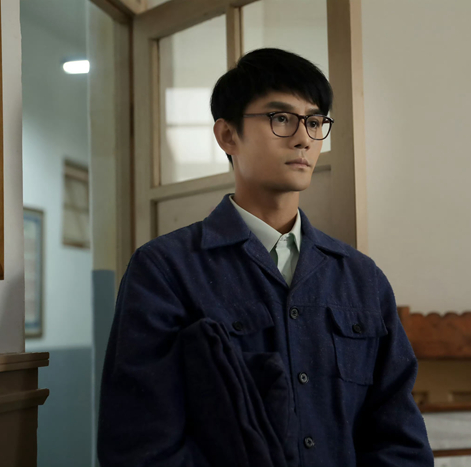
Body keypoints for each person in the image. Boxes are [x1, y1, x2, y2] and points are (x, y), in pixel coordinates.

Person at [97, 47, 433, 467]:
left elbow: (400, 438)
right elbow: (141, 446)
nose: (304, 138)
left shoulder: (361, 278)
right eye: (281, 118)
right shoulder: (165, 270)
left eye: (314, 122)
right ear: (228, 135)